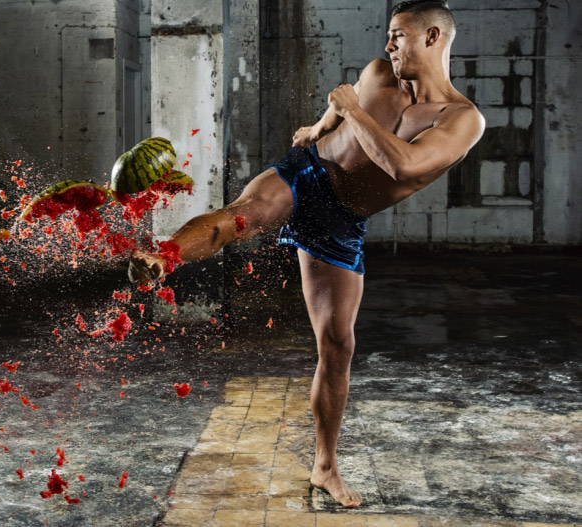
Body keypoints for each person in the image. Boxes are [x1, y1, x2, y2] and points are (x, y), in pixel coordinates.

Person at [129, 0, 484, 508]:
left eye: (398, 35)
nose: (388, 44)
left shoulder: (462, 119)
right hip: (307, 174)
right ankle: (161, 258)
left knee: (338, 346)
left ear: (432, 37)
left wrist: (352, 111)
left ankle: (325, 467)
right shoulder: (378, 72)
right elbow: (343, 103)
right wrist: (320, 128)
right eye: (388, 34)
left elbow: (403, 165)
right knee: (245, 213)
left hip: (340, 223)